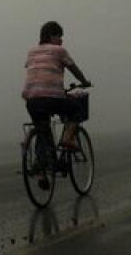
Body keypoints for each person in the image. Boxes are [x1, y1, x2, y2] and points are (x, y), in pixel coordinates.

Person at [22, 21, 92, 188]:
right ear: (52, 36)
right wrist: (84, 81)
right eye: (59, 36)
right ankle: (68, 137)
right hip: (52, 97)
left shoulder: (31, 52)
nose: (61, 40)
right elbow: (74, 69)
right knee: (77, 109)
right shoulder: (59, 51)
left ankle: (41, 173)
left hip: (31, 99)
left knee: (42, 131)